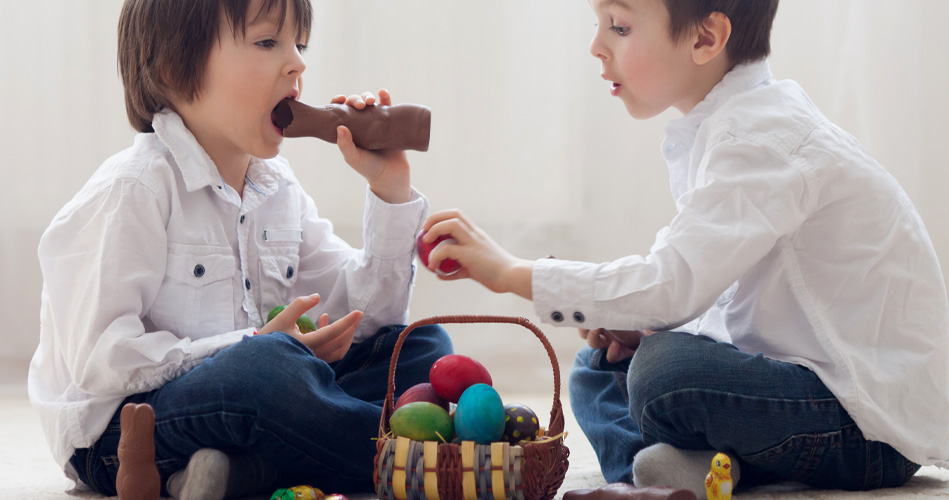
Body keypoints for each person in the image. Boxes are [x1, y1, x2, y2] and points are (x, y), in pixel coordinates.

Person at [420, 0, 949, 496]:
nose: (596, 46)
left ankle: (684, 466)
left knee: (663, 373)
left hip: (862, 424)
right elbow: (724, 304)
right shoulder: (728, 127)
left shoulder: (762, 139)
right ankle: (664, 478)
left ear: (706, 37)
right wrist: (641, 325)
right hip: (794, 384)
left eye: (620, 27)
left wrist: (513, 271)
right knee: (597, 366)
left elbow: (671, 284)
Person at [28, 0, 451, 498]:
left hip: (257, 402)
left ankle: (246, 469)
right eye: (268, 42)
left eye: (300, 44)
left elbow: (369, 317)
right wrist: (253, 343)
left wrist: (389, 189)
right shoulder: (135, 189)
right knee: (267, 370)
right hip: (125, 433)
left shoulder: (279, 188)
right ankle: (413, 456)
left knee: (423, 348)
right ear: (173, 66)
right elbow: (102, 360)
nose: (297, 63)